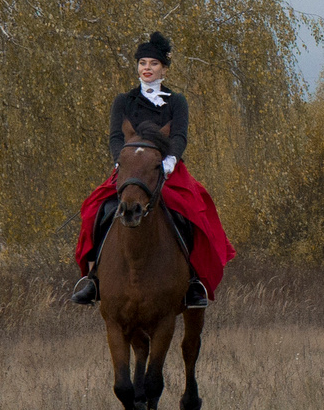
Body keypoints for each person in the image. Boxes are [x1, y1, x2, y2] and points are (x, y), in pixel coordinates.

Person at [69, 32, 234, 309]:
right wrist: (120, 162)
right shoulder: (123, 101)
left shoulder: (176, 101)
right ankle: (95, 277)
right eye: (142, 62)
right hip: (130, 169)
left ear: (164, 69)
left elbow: (179, 135)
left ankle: (193, 281)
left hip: (166, 169)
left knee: (191, 210)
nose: (147, 68)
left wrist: (170, 161)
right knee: (95, 210)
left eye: (153, 63)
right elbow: (115, 137)